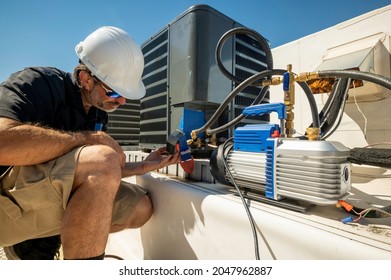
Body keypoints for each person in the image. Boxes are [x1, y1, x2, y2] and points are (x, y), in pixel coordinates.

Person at [0, 26, 180, 260]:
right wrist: (90, 139)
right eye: (115, 93)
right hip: (7, 205)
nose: (122, 101)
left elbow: (94, 174)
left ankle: (57, 243)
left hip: (45, 202)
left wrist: (143, 166)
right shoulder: (40, 84)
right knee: (102, 158)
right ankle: (29, 246)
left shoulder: (97, 114)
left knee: (141, 207)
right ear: (86, 79)